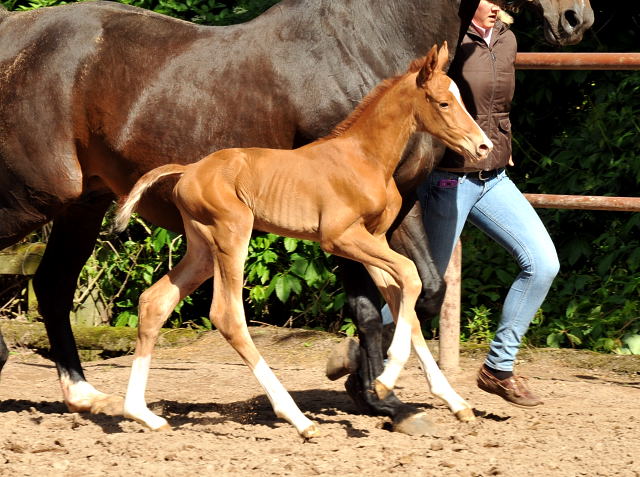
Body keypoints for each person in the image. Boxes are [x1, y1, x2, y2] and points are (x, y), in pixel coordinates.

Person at [416, 0, 560, 406]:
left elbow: (499, 107)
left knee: (544, 263)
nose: (497, 7)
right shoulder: (449, 43)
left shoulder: (508, 40)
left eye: (502, 2)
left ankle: (498, 368)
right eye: (489, 0)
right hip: (448, 179)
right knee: (427, 284)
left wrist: (503, 145)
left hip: (493, 178)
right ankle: (366, 351)